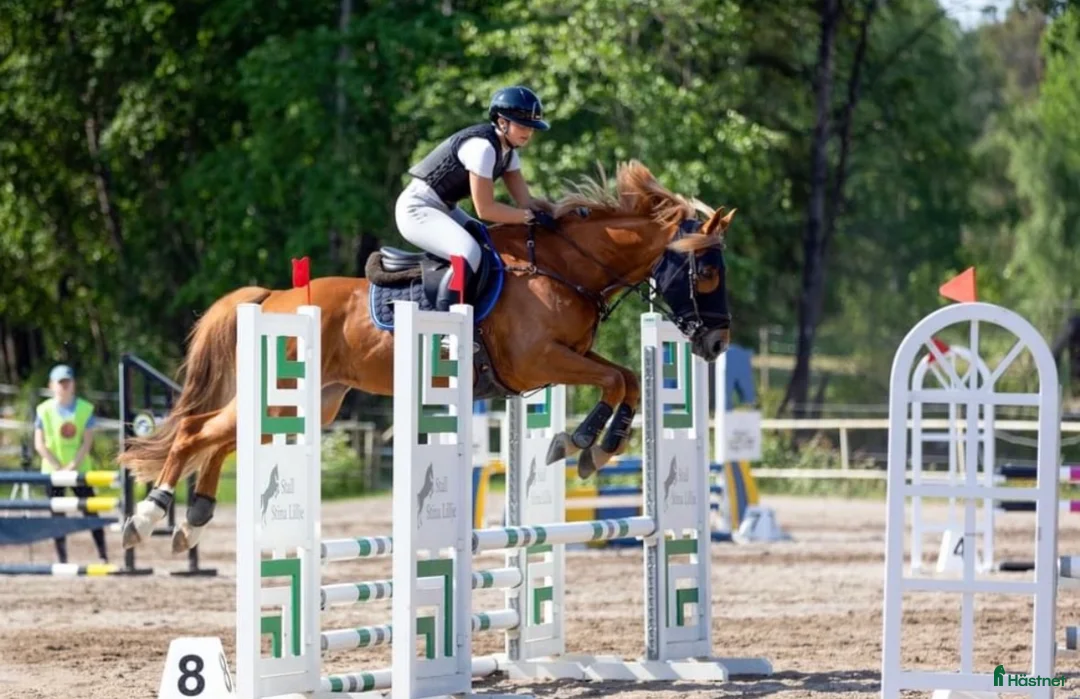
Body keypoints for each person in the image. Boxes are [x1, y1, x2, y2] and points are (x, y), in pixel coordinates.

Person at [396, 85, 560, 308]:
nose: (528, 132)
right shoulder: (482, 148)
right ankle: (447, 325)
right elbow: (486, 210)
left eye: (532, 128)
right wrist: (529, 217)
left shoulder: (509, 154)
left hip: (444, 208)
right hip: (416, 209)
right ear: (502, 122)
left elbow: (527, 202)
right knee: (469, 253)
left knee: (488, 244)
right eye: (523, 125)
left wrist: (560, 213)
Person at [34, 364, 108, 564]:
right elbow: (39, 443)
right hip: (52, 470)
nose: (64, 386)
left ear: (73, 384)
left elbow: (87, 442)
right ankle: (62, 559)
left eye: (67, 382)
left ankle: (102, 555)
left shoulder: (85, 409)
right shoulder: (43, 410)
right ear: (51, 385)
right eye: (60, 382)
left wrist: (73, 465)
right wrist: (57, 466)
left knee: (91, 511)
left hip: (80, 468)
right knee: (57, 515)